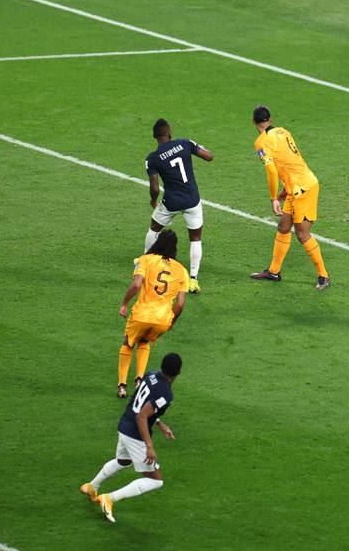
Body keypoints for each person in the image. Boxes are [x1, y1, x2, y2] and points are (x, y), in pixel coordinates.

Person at [80, 352, 182, 523]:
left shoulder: (150, 375)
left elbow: (140, 404)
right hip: (135, 434)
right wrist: (149, 446)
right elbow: (142, 416)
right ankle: (110, 498)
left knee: (123, 461)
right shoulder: (166, 394)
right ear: (178, 372)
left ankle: (92, 486)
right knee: (156, 481)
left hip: (124, 425)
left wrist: (159, 423)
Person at [248, 105, 330, 290]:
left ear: (253, 121)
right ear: (270, 118)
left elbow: (271, 170)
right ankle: (274, 271)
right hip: (298, 184)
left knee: (302, 234)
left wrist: (273, 199)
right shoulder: (283, 131)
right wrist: (284, 193)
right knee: (284, 227)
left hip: (303, 188)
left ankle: (323, 275)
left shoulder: (261, 143)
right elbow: (291, 163)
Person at [144, 118, 213, 294]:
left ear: (155, 137)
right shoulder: (184, 143)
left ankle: (145, 265)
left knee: (154, 228)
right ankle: (194, 279)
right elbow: (209, 156)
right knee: (195, 238)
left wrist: (153, 201)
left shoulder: (153, 159)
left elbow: (154, 187)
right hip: (192, 200)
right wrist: (195, 147)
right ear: (169, 133)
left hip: (171, 202)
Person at [117, 230, 188, 399]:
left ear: (158, 242)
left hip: (142, 314)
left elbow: (136, 285)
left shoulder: (146, 260)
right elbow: (180, 303)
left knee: (128, 343)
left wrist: (125, 303)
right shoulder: (182, 270)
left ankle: (122, 386)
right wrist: (171, 321)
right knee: (144, 341)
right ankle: (139, 381)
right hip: (163, 319)